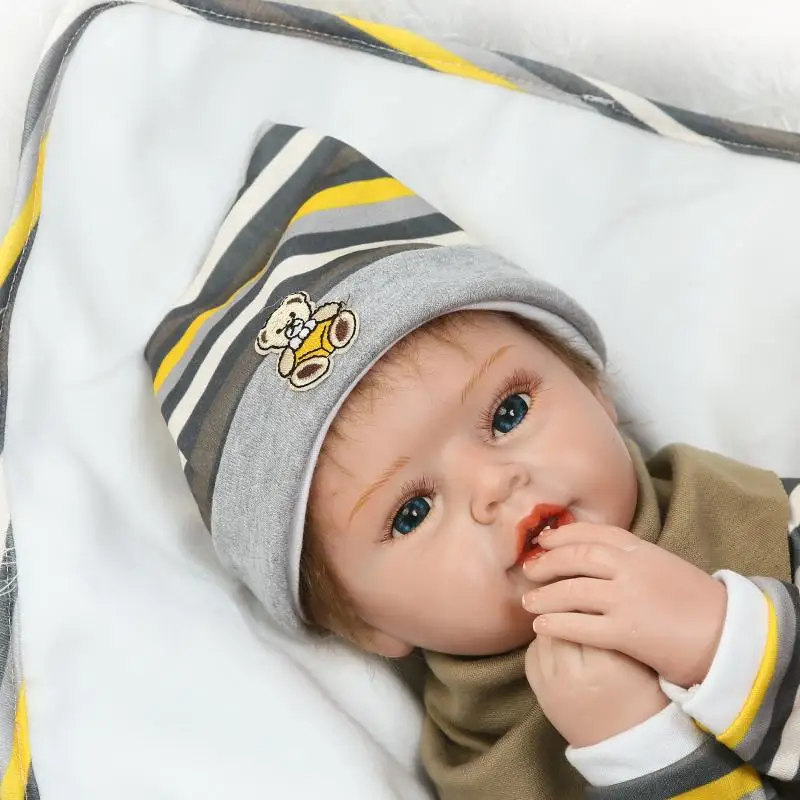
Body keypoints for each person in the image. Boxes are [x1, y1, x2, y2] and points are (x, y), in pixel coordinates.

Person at [145, 124, 800, 799]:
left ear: (595, 390)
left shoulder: (765, 517)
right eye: (412, 511)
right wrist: (637, 750)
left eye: (508, 413)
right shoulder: (488, 774)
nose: (494, 485)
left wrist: (724, 641)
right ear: (367, 625)